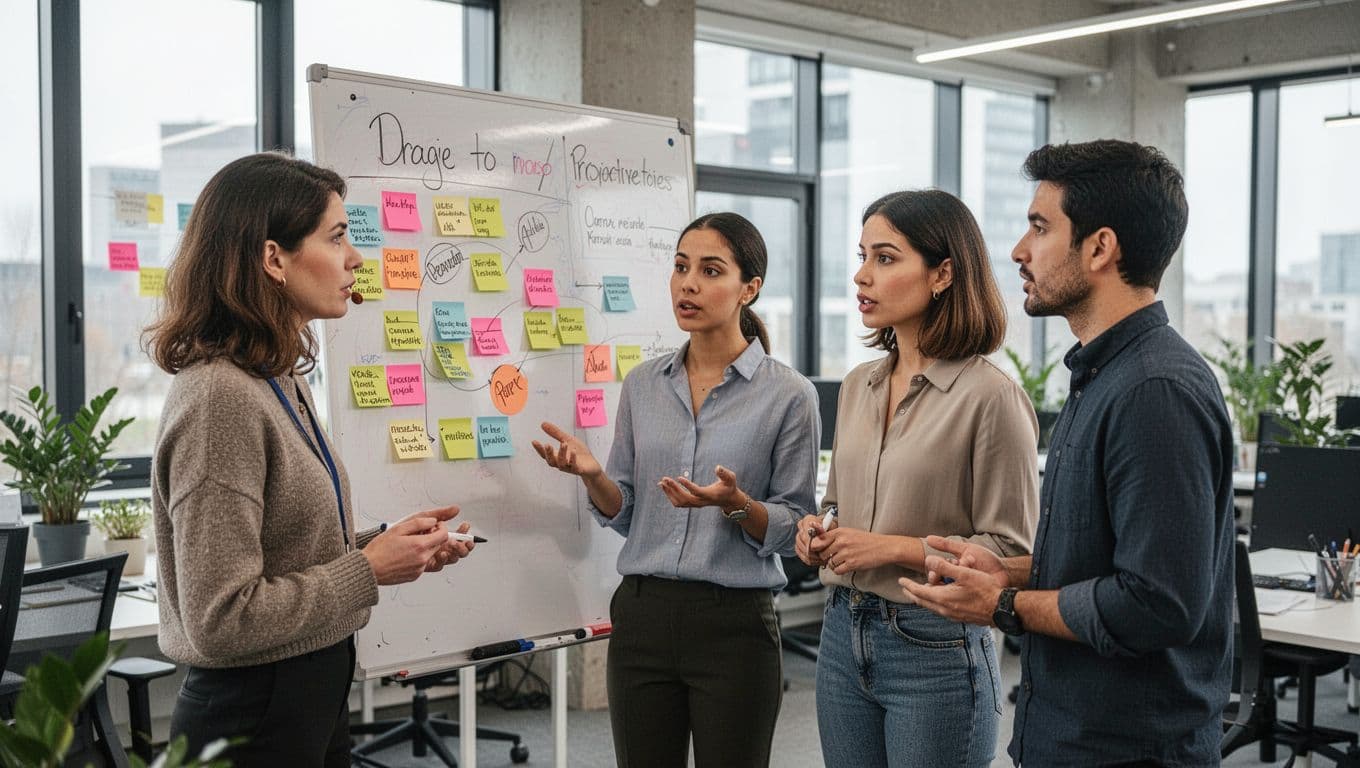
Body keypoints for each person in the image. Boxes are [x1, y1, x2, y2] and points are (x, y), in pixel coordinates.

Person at [902, 140, 1235, 767]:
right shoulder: (1104, 375)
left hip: (1126, 748)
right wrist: (1011, 572)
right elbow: (1103, 560)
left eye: (1039, 227)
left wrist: (1001, 605)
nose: (1019, 251)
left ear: (1100, 247)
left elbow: (1157, 604)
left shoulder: (1153, 391)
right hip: (1071, 732)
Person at [144, 152, 477, 767]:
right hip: (252, 715)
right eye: (338, 237)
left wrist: (386, 547)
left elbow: (284, 546)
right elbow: (222, 618)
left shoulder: (271, 377)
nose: (356, 259)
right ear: (274, 259)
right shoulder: (221, 397)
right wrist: (366, 569)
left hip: (307, 692)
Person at [530, 212, 819, 768]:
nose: (688, 284)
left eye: (711, 271)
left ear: (749, 289)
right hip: (642, 615)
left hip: (732, 623)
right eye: (681, 267)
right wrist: (593, 476)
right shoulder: (643, 384)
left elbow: (793, 527)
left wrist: (736, 505)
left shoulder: (790, 396)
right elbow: (625, 509)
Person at [792, 189, 1039, 768]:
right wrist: (818, 531)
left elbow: (1011, 553)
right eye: (861, 257)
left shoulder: (992, 397)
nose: (861, 276)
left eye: (884, 258)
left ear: (942, 273)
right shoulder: (857, 385)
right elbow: (837, 505)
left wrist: (890, 549)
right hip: (840, 636)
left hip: (935, 645)